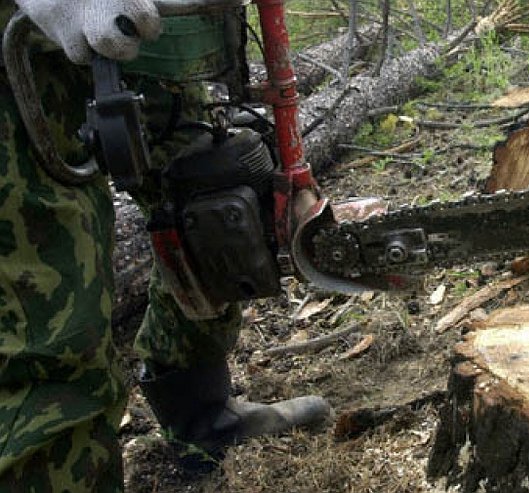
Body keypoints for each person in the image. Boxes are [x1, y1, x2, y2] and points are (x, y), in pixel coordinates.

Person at [0, 1, 331, 491]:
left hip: (146, 31)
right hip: (18, 50)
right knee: (48, 309)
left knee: (213, 197)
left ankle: (203, 418)